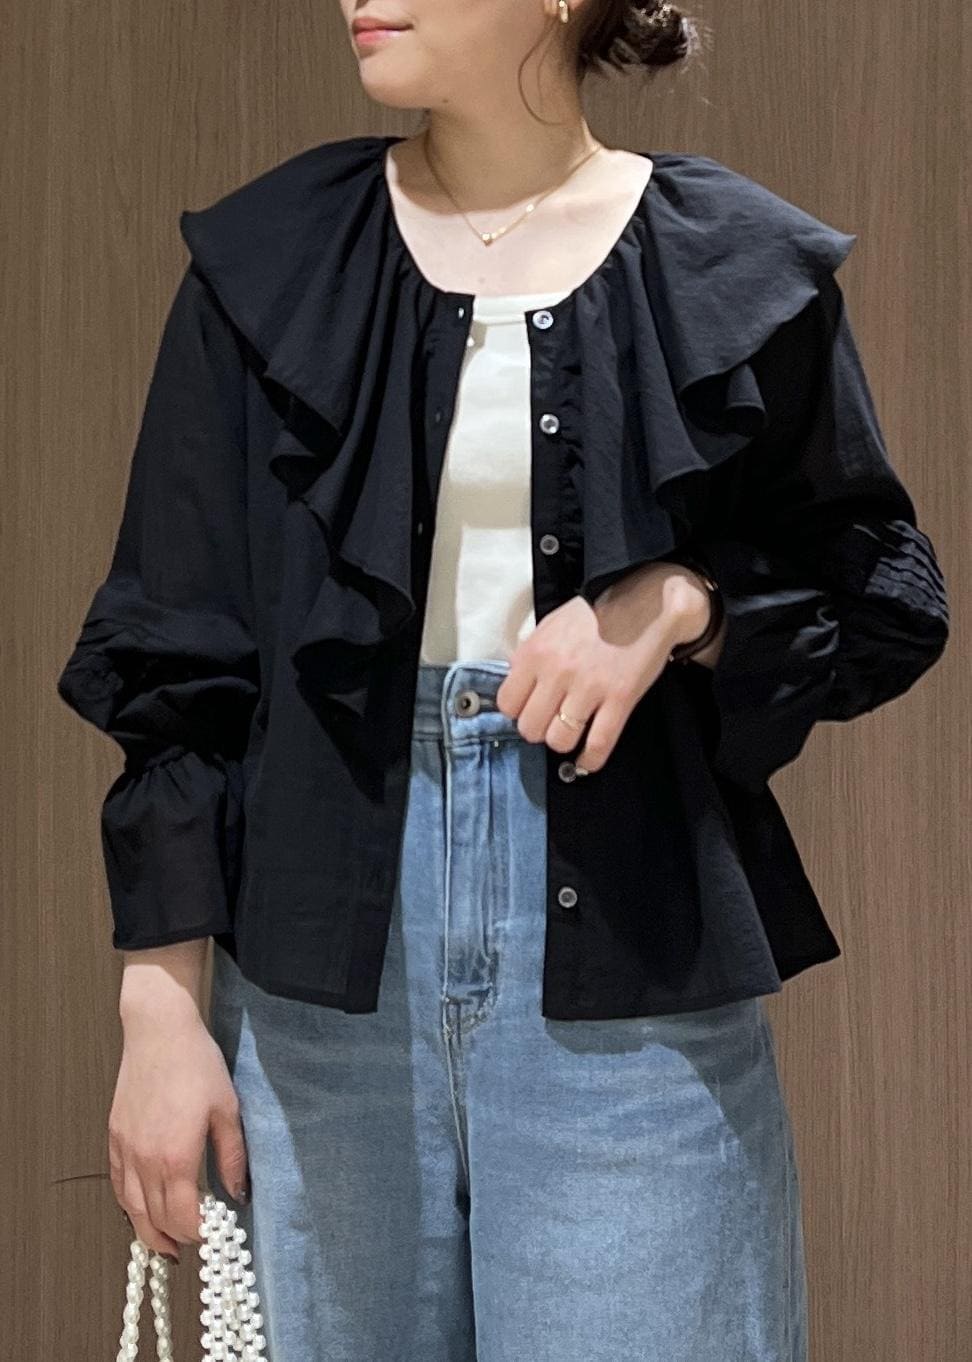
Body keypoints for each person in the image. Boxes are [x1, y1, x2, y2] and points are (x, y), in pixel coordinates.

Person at [55, 1, 950, 1358]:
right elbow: (180, 660)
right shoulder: (270, 261)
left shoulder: (729, 266)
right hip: (317, 1001)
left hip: (631, 986)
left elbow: (886, 599)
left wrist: (681, 602)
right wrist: (159, 1009)